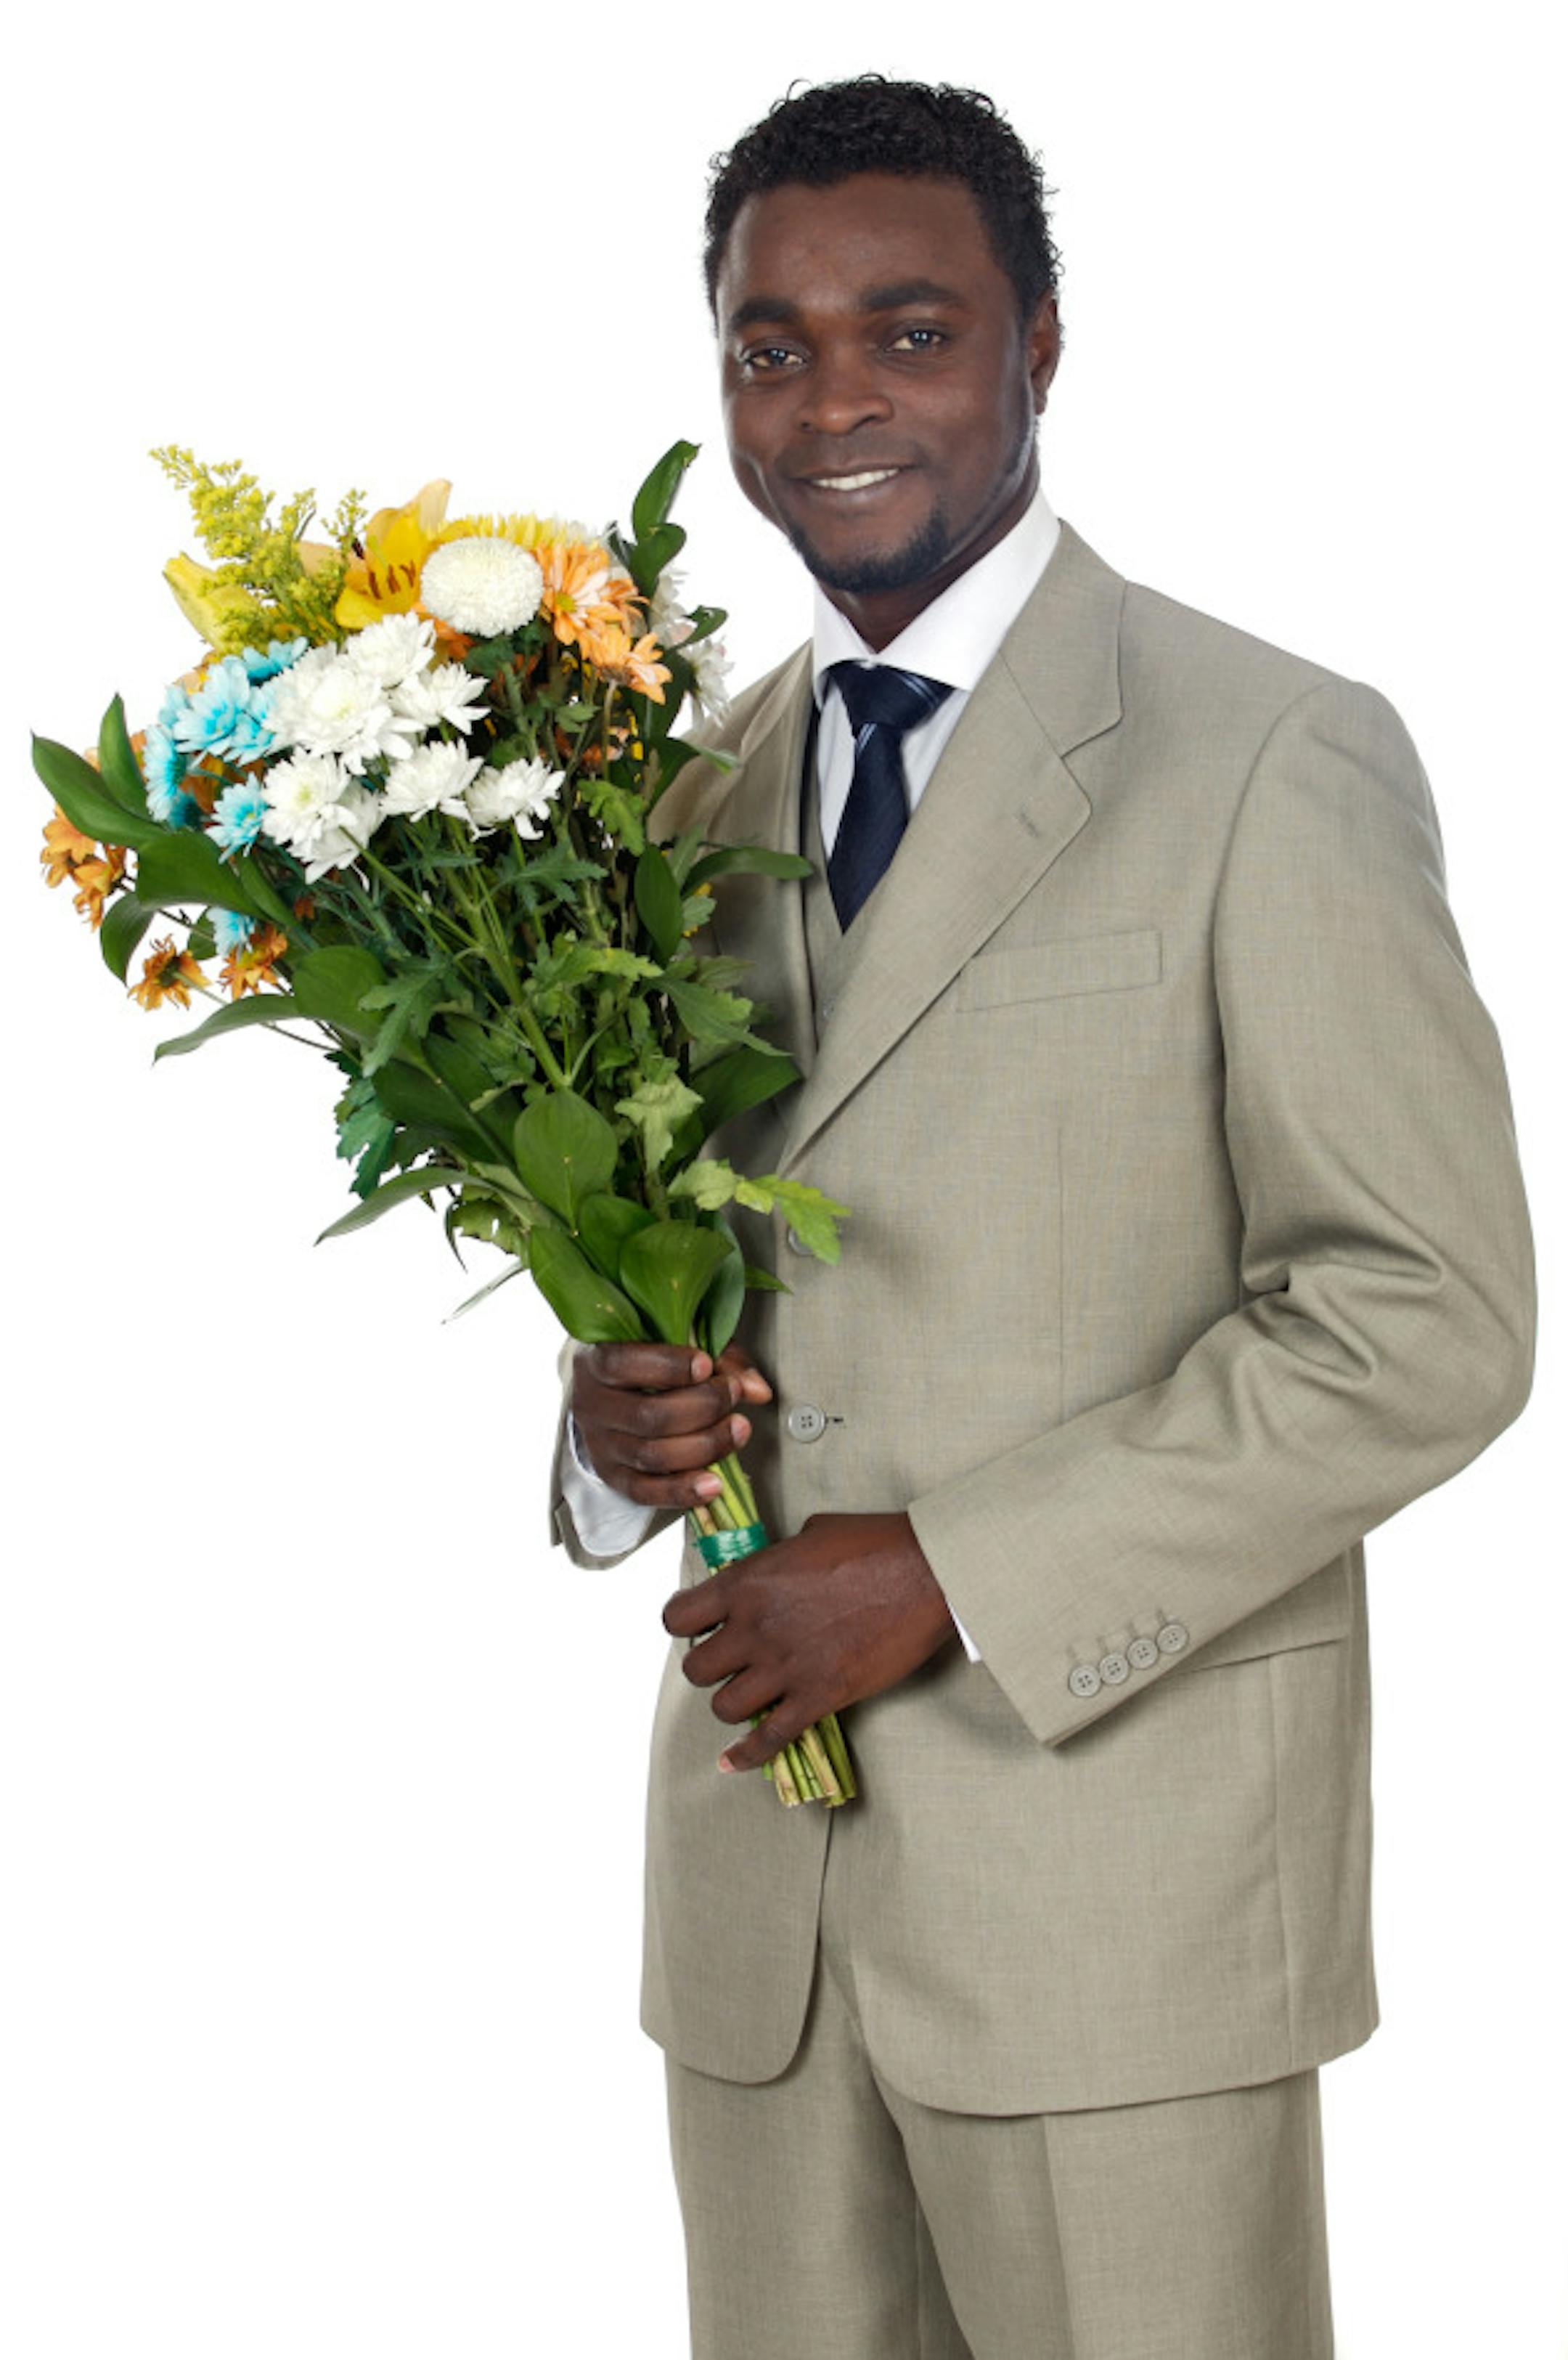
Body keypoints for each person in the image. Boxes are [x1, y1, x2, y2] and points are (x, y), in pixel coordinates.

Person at [544, 76, 1537, 2360]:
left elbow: (1429, 1314)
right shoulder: (676, 798)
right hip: (761, 1940)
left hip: (1128, 1915)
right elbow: (690, 1261)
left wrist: (951, 1571)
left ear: (1041, 346)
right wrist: (611, 1435)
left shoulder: (1269, 753)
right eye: (768, 346)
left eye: (908, 329)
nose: (832, 402)